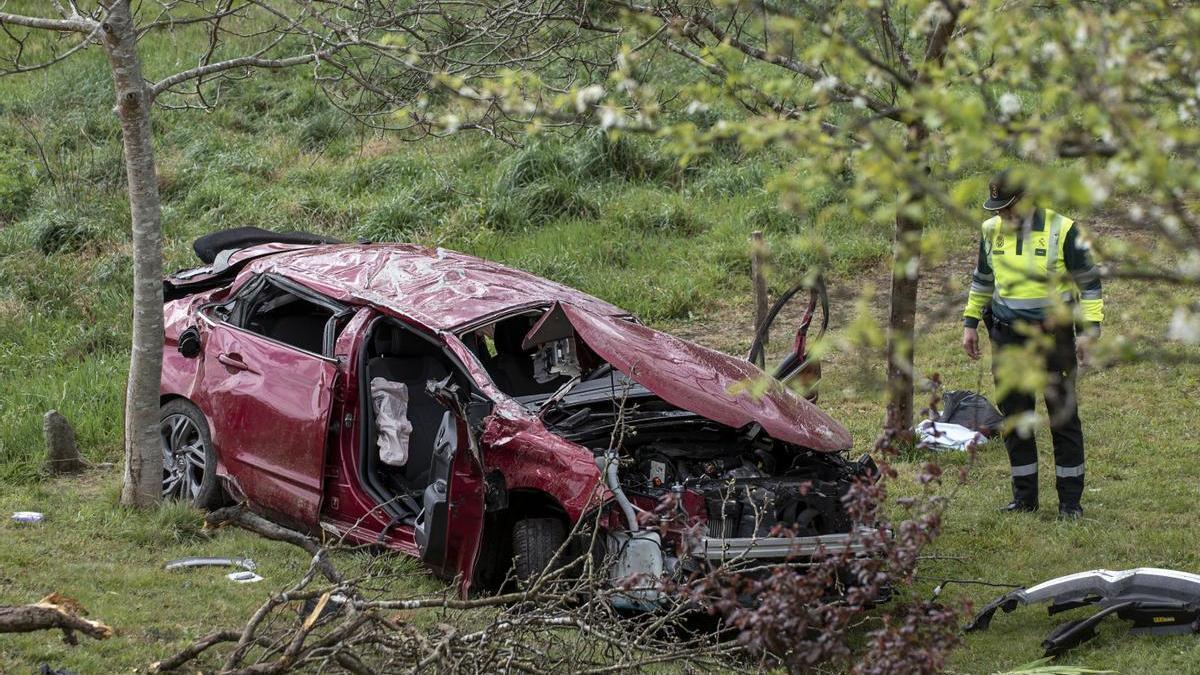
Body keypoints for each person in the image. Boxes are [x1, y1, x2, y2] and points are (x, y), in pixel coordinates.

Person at [961, 170, 1104, 519]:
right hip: (1008, 337)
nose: (1002, 217)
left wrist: (1089, 330)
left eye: (1008, 209)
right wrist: (969, 323)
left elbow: (1089, 284)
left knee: (1062, 418)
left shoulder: (1063, 229)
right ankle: (1024, 499)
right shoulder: (990, 230)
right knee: (1015, 417)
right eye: (997, 210)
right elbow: (983, 280)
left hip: (1052, 339)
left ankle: (1070, 503)